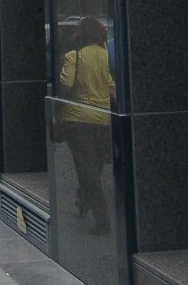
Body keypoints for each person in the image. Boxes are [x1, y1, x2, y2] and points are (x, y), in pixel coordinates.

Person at [58, 16, 115, 235]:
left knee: (87, 171)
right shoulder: (105, 57)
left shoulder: (75, 57)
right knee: (95, 168)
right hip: (103, 120)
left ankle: (102, 221)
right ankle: (83, 199)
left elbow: (66, 86)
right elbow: (112, 89)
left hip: (78, 121)